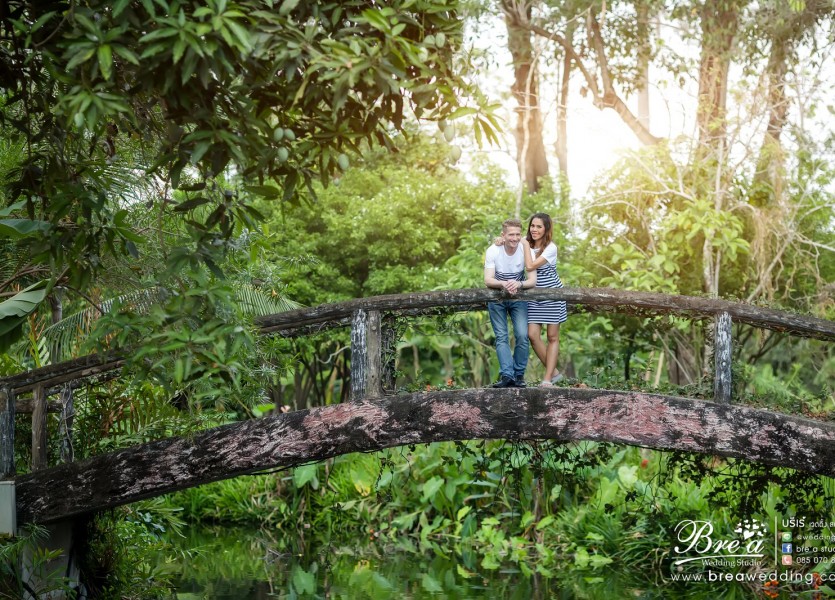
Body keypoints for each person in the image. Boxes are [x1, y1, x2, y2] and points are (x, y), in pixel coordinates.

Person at [484, 218, 537, 388]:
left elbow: (532, 281)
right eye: (510, 235)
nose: (514, 238)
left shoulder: (526, 250)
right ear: (503, 235)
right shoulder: (493, 250)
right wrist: (504, 284)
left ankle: (519, 375)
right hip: (497, 297)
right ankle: (507, 376)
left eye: (517, 234)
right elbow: (488, 280)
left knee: (522, 335)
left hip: (518, 296)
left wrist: (518, 284)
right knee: (501, 336)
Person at [520, 213, 568, 386]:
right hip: (534, 295)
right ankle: (555, 373)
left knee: (552, 336)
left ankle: (547, 379)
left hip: (552, 294)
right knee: (532, 335)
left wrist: (524, 245)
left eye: (539, 226)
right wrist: (499, 241)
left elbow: (531, 265)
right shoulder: (525, 243)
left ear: (546, 229)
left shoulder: (550, 247)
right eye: (532, 226)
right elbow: (508, 244)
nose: (534, 229)